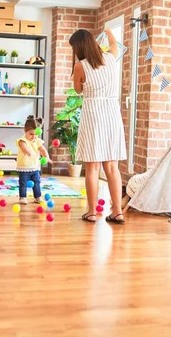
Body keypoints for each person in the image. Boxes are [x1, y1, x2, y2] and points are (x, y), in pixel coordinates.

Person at [70, 28, 127, 224]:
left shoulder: (80, 66)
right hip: (112, 112)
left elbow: (77, 89)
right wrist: (109, 31)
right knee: (112, 167)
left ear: (78, 47)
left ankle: (92, 211)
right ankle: (117, 211)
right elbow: (114, 44)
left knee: (92, 167)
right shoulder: (111, 58)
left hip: (93, 113)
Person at [16, 115, 50, 204]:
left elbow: (42, 149)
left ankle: (37, 196)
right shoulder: (22, 140)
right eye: (31, 134)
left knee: (37, 182)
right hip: (24, 166)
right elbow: (23, 147)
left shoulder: (37, 140)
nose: (33, 137)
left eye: (36, 134)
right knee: (23, 183)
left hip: (35, 166)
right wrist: (28, 152)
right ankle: (22, 197)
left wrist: (47, 157)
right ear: (25, 130)